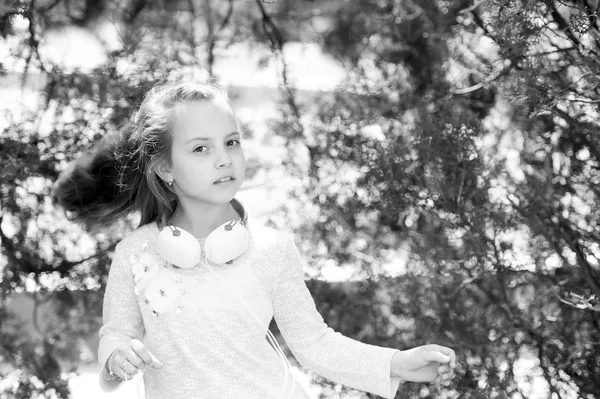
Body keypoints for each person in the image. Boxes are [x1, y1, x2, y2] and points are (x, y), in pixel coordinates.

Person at [52, 79, 457, 399]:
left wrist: (395, 363)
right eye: (200, 149)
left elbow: (313, 343)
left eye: (231, 142)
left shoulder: (271, 248)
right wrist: (115, 358)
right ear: (164, 168)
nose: (224, 158)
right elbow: (116, 333)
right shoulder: (134, 252)